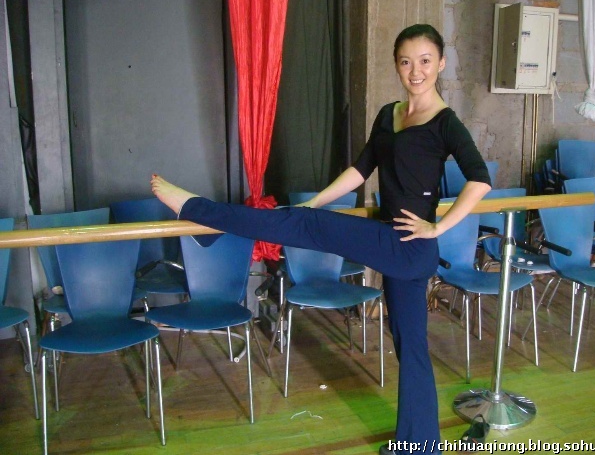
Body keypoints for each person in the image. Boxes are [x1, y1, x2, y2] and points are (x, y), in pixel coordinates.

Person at [151, 24, 491, 455]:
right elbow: (359, 170)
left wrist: (437, 227)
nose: (415, 71)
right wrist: (315, 202)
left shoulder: (445, 123)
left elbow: (480, 179)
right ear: (396, 65)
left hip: (410, 246)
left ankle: (194, 207)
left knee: (308, 228)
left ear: (440, 63)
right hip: (395, 245)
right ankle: (421, 446)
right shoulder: (388, 114)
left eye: (425, 61)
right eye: (406, 62)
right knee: (411, 349)